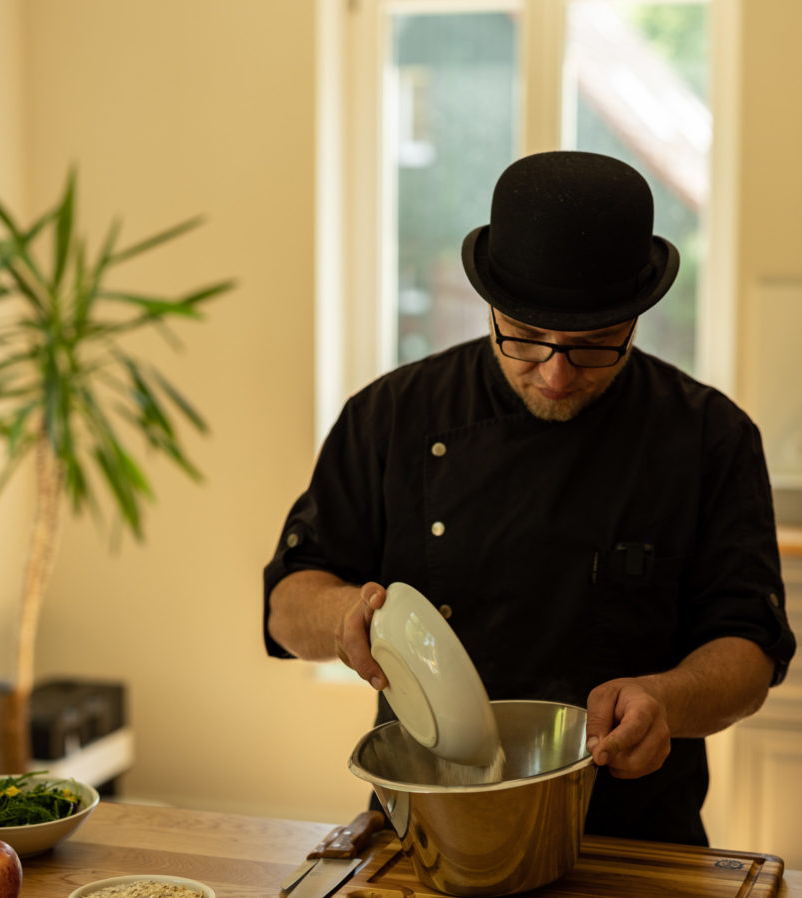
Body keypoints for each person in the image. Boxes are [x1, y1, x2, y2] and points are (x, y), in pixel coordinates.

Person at [263, 150, 796, 845]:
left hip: (632, 846)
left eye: (591, 345)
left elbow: (747, 653)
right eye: (524, 339)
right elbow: (285, 606)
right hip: (425, 836)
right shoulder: (392, 415)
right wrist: (344, 617)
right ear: (489, 305)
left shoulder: (708, 437)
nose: (553, 374)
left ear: (635, 318)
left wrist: (665, 699)